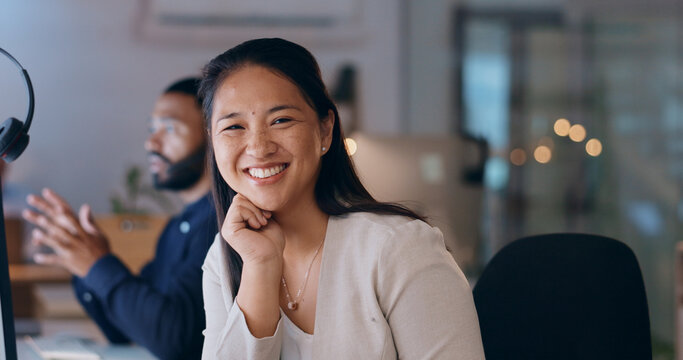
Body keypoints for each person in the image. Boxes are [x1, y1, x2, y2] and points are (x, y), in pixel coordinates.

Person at [199, 38, 485, 359]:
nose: (259, 147)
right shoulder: (224, 258)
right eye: (234, 126)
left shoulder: (398, 247)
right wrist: (261, 266)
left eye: (281, 120)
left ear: (325, 131)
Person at [21, 78, 217, 360]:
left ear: (214, 136)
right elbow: (127, 330)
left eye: (170, 128)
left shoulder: (221, 225)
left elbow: (172, 340)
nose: (151, 141)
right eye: (152, 128)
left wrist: (97, 265)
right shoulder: (175, 229)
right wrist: (86, 265)